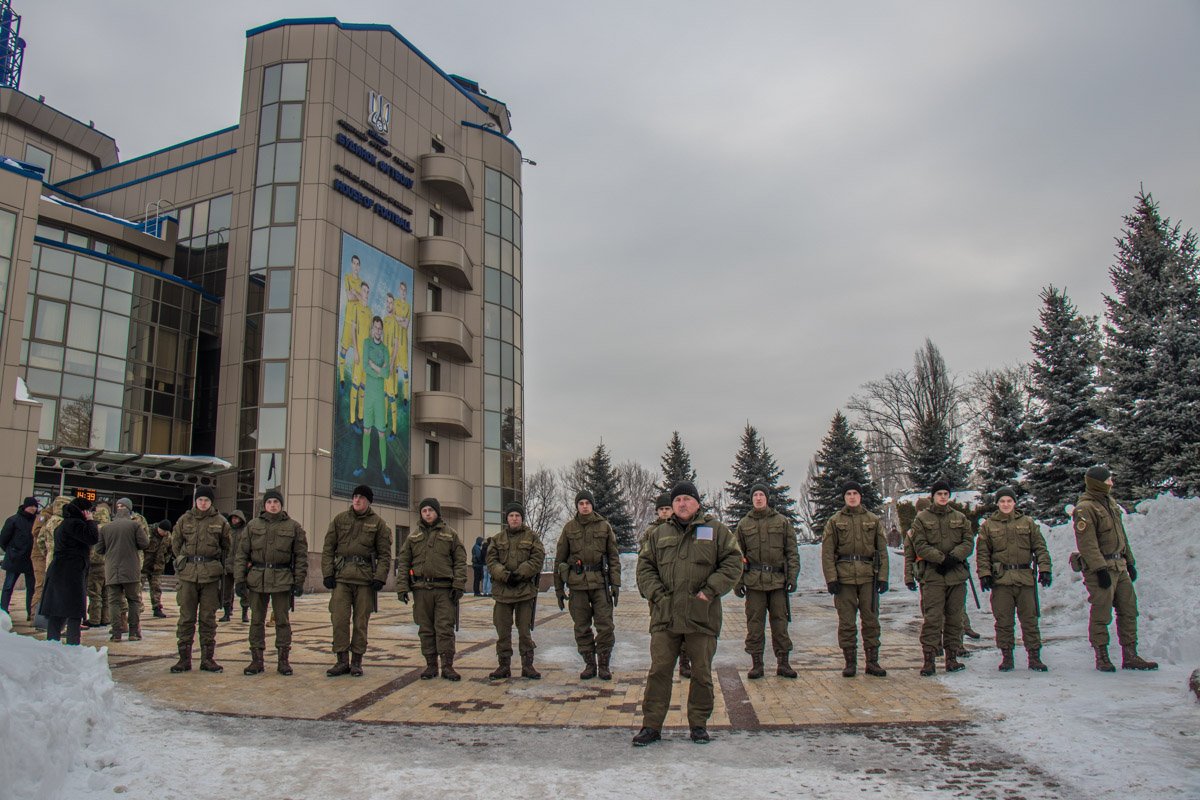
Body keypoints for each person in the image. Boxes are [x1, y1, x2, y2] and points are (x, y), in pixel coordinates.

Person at [633, 482, 742, 746]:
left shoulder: (715, 530)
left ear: (697, 502)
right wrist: (658, 596)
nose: (682, 504)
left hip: (701, 615)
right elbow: (644, 568)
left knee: (701, 672)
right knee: (659, 671)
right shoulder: (659, 534)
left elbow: (733, 562)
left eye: (687, 499)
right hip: (665, 616)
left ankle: (699, 725)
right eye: (677, 499)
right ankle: (651, 726)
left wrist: (709, 592)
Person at [1072, 466, 1158, 672]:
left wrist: (1130, 561)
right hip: (1102, 568)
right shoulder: (1085, 508)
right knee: (1102, 612)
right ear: (1098, 482)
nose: (1111, 483)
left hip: (1119, 565)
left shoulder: (1110, 504)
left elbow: (1122, 535)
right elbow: (1087, 543)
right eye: (1108, 480)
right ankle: (1101, 655)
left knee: (1129, 609)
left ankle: (1130, 655)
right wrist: (1100, 569)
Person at [976, 487, 1051, 672]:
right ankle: (1007, 656)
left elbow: (1040, 547)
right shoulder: (989, 526)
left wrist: (1045, 569)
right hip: (1001, 581)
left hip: (1025, 579)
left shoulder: (1027, 523)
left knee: (1030, 620)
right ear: (997, 504)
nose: (1006, 504)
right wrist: (984, 574)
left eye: (1009, 501)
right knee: (1003, 621)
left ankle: (1034, 656)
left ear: (1014, 503)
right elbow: (983, 553)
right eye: (1002, 501)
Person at [234, 489, 308, 676]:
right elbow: (242, 554)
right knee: (256, 620)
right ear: (264, 505)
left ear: (281, 505)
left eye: (276, 501)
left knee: (282, 621)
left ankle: (283, 661)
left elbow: (301, 557)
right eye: (269, 502)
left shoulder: (294, 527)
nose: (272, 505)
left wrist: (299, 581)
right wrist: (239, 579)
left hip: (282, 578)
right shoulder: (252, 526)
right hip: (257, 578)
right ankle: (256, 661)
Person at [821, 481, 888, 678]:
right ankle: (850, 662)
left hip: (868, 577)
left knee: (871, 621)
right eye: (848, 493)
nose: (852, 496)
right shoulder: (834, 521)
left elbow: (882, 550)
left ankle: (872, 662)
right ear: (844, 497)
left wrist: (883, 577)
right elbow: (827, 552)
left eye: (855, 493)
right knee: (847, 623)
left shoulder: (873, 520)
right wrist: (831, 579)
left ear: (860, 496)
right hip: (844, 579)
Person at [322, 484, 391, 677]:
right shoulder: (339, 520)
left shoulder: (378, 523)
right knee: (339, 619)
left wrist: (380, 578)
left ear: (368, 501)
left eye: (361, 497)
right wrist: (327, 573)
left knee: (361, 622)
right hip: (341, 577)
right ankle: (341, 660)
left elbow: (385, 555)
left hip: (365, 579)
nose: (357, 500)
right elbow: (328, 548)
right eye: (355, 496)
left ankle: (357, 661)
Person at [396, 498, 467, 680]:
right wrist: (402, 587)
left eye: (430, 510)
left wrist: (458, 585)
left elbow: (460, 561)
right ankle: (431, 665)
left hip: (444, 589)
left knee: (444, 628)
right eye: (424, 510)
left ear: (437, 512)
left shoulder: (450, 534)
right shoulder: (412, 537)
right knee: (426, 629)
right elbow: (403, 562)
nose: (427, 513)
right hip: (421, 589)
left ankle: (447, 666)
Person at [554, 490, 622, 680]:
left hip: (600, 583)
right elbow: (559, 560)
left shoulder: (604, 526)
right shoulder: (569, 528)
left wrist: (615, 584)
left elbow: (614, 557)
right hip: (577, 586)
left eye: (587, 503)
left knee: (606, 625)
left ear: (592, 505)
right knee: (581, 627)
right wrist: (559, 588)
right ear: (577, 506)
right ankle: (589, 664)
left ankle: (604, 665)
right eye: (581, 503)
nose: (584, 506)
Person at [734, 484, 799, 679]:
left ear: (767, 498)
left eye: (762, 494)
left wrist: (792, 577)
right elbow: (737, 555)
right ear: (752, 499)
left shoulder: (782, 522)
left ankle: (783, 663)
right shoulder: (744, 525)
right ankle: (757, 664)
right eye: (755, 495)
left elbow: (791, 552)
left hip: (778, 582)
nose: (759, 498)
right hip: (754, 583)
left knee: (780, 624)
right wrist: (738, 582)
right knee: (755, 624)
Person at [910, 479, 974, 677]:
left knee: (955, 619)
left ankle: (952, 658)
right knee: (933, 619)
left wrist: (954, 557)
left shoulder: (960, 518)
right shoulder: (922, 519)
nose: (943, 497)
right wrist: (941, 559)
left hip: (956, 575)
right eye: (939, 494)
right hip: (933, 575)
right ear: (933, 496)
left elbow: (968, 541)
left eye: (946, 493)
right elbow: (919, 545)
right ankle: (929, 660)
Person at [171, 488, 232, 673]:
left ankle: (207, 659)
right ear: (196, 501)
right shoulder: (184, 520)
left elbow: (226, 546)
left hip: (210, 576)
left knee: (208, 618)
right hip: (188, 574)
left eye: (206, 500)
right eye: (200, 500)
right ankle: (184, 659)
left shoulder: (220, 522)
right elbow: (176, 542)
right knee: (186, 618)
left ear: (211, 502)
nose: (203, 503)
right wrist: (183, 560)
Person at [485, 503, 544, 680]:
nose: (514, 518)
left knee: (524, 631)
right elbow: (491, 561)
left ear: (522, 518)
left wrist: (520, 574)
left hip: (524, 592)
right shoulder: (497, 539)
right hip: (502, 593)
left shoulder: (532, 537)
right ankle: (504, 666)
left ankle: (528, 665)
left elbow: (537, 558)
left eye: (517, 515)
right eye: (511, 515)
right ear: (507, 518)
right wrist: (504, 575)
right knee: (503, 631)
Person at [39, 497, 99, 644]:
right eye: (89, 511)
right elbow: (92, 538)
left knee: (57, 609)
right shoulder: (75, 524)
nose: (91, 514)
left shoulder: (63, 524)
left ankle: (52, 642)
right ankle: (73, 644)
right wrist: (90, 521)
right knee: (74, 609)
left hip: (60, 570)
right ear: (84, 511)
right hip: (71, 571)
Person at [97, 497, 150, 642]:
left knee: (114, 602)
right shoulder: (135, 525)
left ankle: (116, 633)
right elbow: (145, 543)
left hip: (111, 570)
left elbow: (99, 549)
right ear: (129, 509)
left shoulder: (106, 527)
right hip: (131, 569)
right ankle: (133, 632)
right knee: (133, 600)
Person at [354, 316, 392, 486]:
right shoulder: (366, 343)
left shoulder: (385, 349)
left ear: (382, 331)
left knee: (382, 432)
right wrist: (379, 368)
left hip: (379, 397)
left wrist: (375, 367)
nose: (377, 331)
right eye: (375, 328)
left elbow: (386, 374)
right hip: (369, 395)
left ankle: (384, 469)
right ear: (372, 329)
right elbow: (364, 367)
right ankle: (363, 465)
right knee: (367, 430)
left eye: (379, 328)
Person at [30, 495, 71, 629]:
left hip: (50, 559)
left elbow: (41, 539)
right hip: (46, 559)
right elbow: (37, 535)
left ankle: (46, 619)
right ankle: (35, 616)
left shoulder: (58, 519)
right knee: (42, 586)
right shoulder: (45, 517)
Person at [1, 496, 39, 620]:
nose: (34, 508)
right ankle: (3, 610)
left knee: (31, 588)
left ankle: (31, 613)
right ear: (25, 506)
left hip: (30, 560)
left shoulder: (37, 521)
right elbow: (3, 539)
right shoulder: (13, 520)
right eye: (31, 506)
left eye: (35, 506)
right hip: (14, 558)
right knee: (8, 586)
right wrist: (11, 550)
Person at [84, 502, 112, 629]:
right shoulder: (111, 529)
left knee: (95, 593)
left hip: (95, 565)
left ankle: (94, 619)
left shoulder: (94, 528)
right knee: (106, 594)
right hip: (109, 564)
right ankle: (105, 618)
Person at [221, 509, 248, 622]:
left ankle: (244, 613)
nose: (234, 520)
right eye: (233, 518)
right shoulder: (228, 531)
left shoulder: (245, 532)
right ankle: (227, 613)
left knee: (243, 590)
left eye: (236, 518)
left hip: (240, 565)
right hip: (227, 565)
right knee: (226, 590)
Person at [142, 520, 172, 618]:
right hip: (144, 565)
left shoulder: (168, 537)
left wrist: (164, 560)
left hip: (157, 567)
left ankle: (157, 608)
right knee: (137, 588)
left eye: (165, 531)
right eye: (162, 530)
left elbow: (170, 551)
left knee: (156, 588)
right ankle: (136, 608)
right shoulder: (148, 532)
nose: (163, 533)